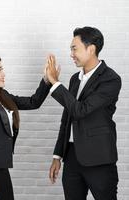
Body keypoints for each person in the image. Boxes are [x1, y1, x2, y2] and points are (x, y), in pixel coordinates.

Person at [47, 27, 121, 200]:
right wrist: (57, 156)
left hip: (99, 159)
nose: (71, 54)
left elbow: (81, 110)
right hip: (72, 157)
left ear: (91, 49)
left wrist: (55, 83)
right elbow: (67, 118)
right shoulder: (75, 78)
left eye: (74, 48)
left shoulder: (110, 79)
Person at [0, 52, 52, 200]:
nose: (4, 74)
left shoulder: (2, 95)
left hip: (0, 167)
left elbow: (33, 102)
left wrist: (47, 79)